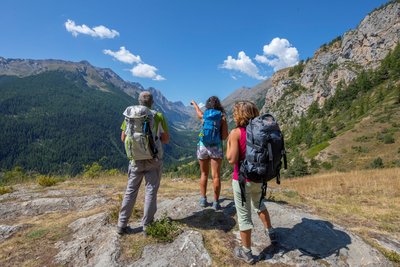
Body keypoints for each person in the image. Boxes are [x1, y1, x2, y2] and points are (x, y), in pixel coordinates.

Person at [226, 101, 277, 264]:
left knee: (244, 216)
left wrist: (228, 144)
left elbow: (231, 159)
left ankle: (246, 252)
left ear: (238, 115)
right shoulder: (261, 131)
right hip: (260, 178)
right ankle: (271, 232)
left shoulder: (236, 133)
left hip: (242, 180)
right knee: (260, 204)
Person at [117, 91, 169, 235]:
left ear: (139, 102)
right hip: (153, 159)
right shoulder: (157, 116)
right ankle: (147, 225)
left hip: (135, 160)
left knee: (130, 191)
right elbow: (165, 139)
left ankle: (121, 224)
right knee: (151, 190)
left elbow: (123, 137)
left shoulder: (130, 116)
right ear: (152, 102)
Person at [191, 96, 228, 210]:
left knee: (204, 174)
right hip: (216, 147)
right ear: (218, 105)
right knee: (216, 176)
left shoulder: (204, 115)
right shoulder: (221, 117)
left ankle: (203, 199)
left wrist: (195, 104)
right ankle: (216, 202)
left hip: (203, 146)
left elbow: (198, 112)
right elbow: (224, 136)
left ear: (207, 105)